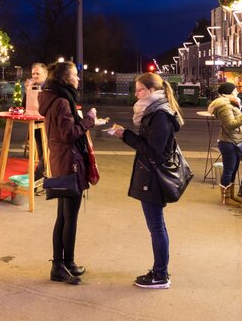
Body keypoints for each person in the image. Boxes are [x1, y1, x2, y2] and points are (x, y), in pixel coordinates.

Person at [109, 73, 184, 290]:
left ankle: (160, 275)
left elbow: (154, 152)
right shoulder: (154, 111)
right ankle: (160, 271)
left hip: (153, 178)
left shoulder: (160, 115)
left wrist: (125, 135)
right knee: (157, 226)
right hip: (150, 176)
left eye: (139, 89)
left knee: (156, 227)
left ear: (151, 91)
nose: (136, 93)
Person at [38, 61, 97, 285]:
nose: (78, 79)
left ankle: (65, 264)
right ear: (65, 79)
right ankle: (61, 265)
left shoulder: (53, 97)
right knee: (68, 218)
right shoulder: (62, 101)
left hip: (61, 159)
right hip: (69, 162)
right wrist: (89, 119)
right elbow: (69, 133)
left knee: (63, 216)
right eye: (75, 75)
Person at [208, 82, 242, 207]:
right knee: (229, 170)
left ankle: (230, 195)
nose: (237, 92)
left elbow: (235, 119)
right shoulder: (224, 106)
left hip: (234, 141)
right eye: (235, 90)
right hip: (228, 142)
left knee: (234, 169)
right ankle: (225, 198)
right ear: (229, 92)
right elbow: (230, 124)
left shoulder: (230, 104)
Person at [25, 63, 49, 186]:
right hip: (35, 121)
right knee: (41, 151)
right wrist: (27, 90)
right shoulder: (32, 86)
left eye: (37, 73)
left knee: (47, 152)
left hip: (48, 123)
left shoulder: (50, 87)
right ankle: (42, 177)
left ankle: (39, 175)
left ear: (45, 74)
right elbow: (26, 105)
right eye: (33, 73)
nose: (34, 76)